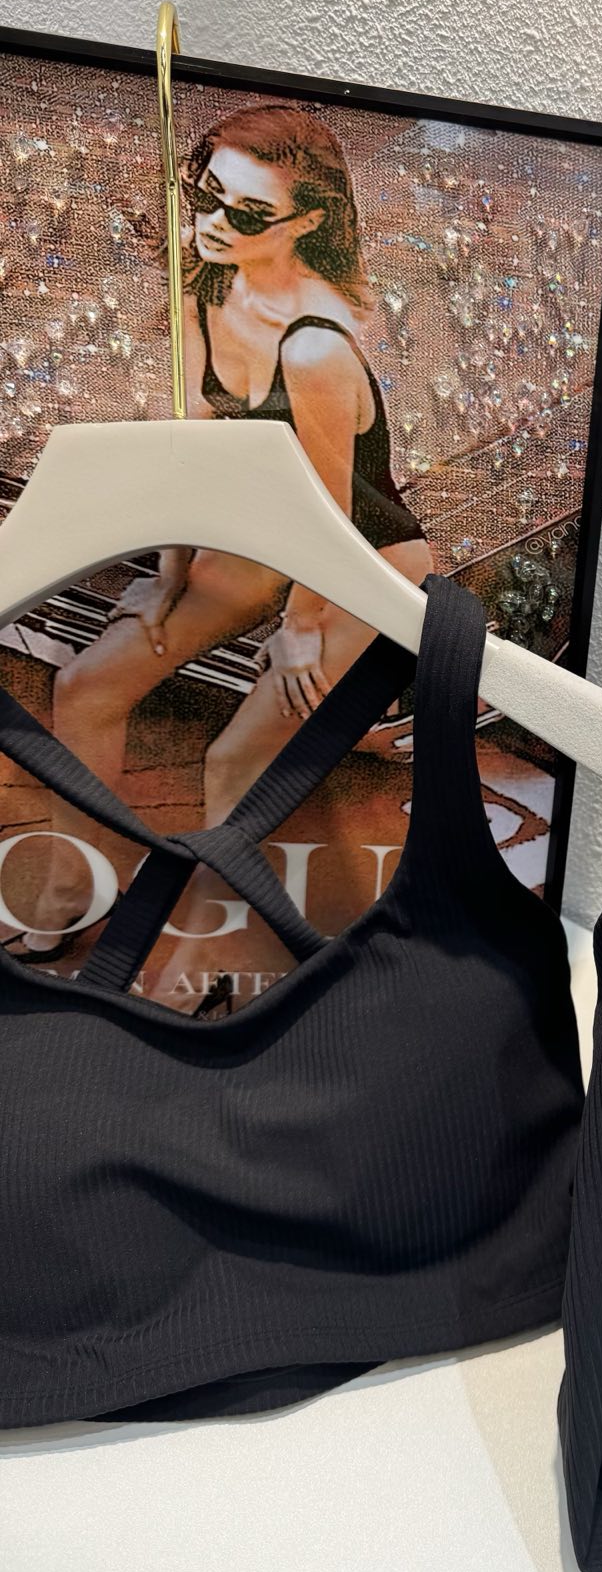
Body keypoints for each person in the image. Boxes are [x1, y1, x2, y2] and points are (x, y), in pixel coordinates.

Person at [2, 104, 435, 1006]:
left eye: (246, 213)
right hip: (264, 536)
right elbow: (196, 446)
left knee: (235, 764)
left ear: (308, 223)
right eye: (206, 194)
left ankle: (220, 966)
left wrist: (300, 631)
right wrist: (166, 575)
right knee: (87, 686)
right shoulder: (204, 291)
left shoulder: (313, 346)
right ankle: (83, 893)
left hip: (357, 565)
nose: (212, 221)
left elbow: (331, 516)